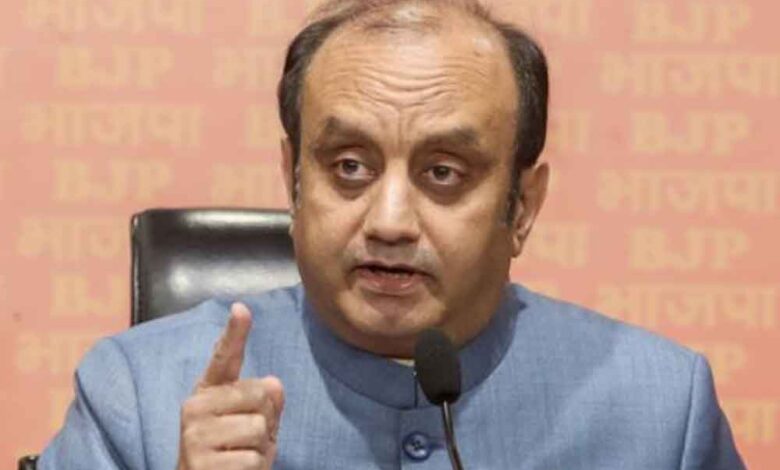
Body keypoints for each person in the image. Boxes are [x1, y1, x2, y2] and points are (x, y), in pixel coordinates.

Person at [39, 0, 745, 469]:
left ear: (524, 206)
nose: (389, 222)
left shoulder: (658, 411)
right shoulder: (140, 396)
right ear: (292, 179)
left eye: (444, 173)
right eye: (349, 166)